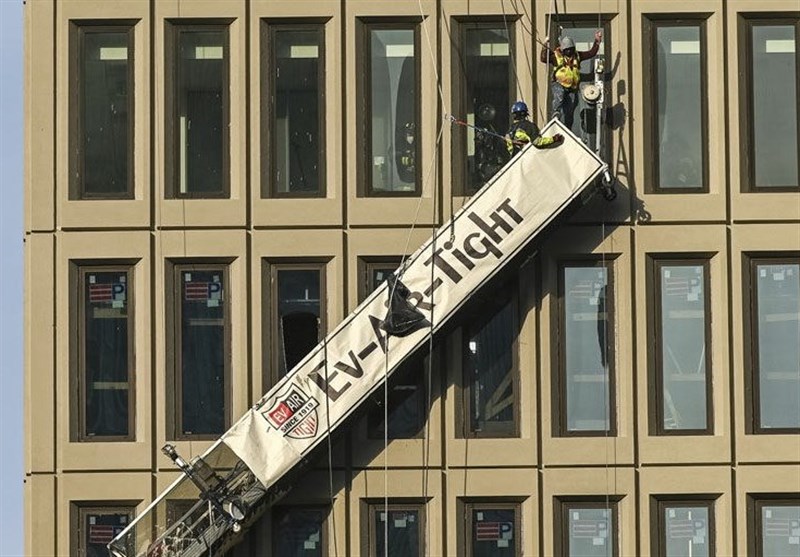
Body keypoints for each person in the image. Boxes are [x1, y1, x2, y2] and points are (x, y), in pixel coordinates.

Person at [540, 31, 602, 129]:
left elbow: (591, 53)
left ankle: (568, 127)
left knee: (570, 108)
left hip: (572, 88)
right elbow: (543, 58)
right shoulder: (556, 57)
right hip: (559, 83)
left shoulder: (577, 56)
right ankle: (556, 114)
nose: (569, 52)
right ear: (563, 50)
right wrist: (544, 45)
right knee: (559, 97)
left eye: (571, 49)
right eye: (567, 50)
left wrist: (597, 41)